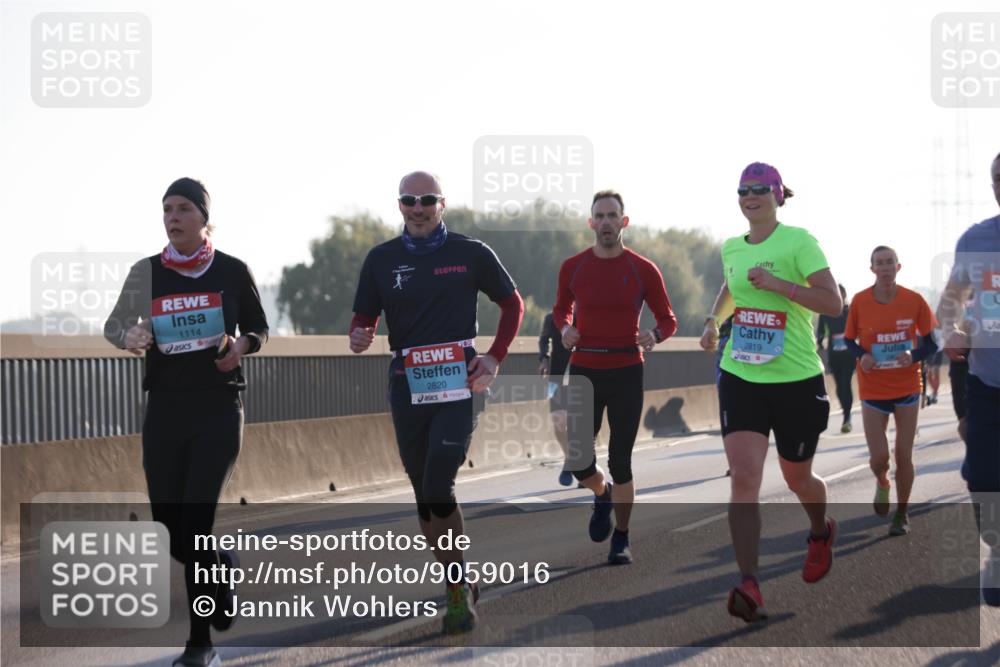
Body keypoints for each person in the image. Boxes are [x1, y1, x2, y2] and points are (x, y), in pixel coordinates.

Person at [349, 171, 524, 633]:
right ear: (400, 205)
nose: (418, 208)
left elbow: (513, 305)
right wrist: (359, 334)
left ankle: (455, 587)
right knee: (423, 495)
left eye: (427, 200)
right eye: (410, 200)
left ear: (442, 204)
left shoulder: (471, 253)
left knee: (439, 479)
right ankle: (458, 581)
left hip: (459, 380)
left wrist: (494, 357)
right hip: (408, 382)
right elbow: (363, 318)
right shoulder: (381, 259)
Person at [104, 178, 269, 667]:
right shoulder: (147, 272)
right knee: (168, 529)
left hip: (218, 408)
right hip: (166, 411)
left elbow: (258, 327)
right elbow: (114, 326)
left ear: (202, 217)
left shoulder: (233, 271)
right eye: (166, 210)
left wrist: (240, 346)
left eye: (181, 209)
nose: (171, 217)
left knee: (196, 526)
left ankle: (200, 645)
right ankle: (221, 568)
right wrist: (128, 334)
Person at [699, 162, 842, 623]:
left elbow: (832, 303)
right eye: (744, 189)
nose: (751, 195)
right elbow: (731, 286)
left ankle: (820, 531)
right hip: (742, 374)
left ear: (779, 195)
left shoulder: (800, 242)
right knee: (744, 477)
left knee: (798, 477)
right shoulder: (731, 248)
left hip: (797, 379)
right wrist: (713, 320)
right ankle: (749, 583)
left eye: (761, 189)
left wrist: (781, 285)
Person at [553, 189, 678, 566]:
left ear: (624, 222)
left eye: (612, 216)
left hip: (626, 369)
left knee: (621, 460)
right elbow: (561, 309)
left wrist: (654, 335)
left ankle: (621, 537)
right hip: (587, 368)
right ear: (591, 223)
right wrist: (564, 329)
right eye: (599, 216)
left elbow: (669, 319)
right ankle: (601, 492)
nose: (606, 222)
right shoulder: (573, 266)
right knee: (578, 458)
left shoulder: (643, 268)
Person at [936, 151, 1000, 607]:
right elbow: (952, 301)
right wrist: (952, 330)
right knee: (982, 480)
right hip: (986, 383)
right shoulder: (975, 241)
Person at [844, 246, 938, 537]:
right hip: (873, 387)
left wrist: (914, 355)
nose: (885, 268)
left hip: (907, 386)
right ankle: (883, 481)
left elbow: (932, 343)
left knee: (904, 454)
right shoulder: (859, 301)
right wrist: (863, 355)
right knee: (878, 458)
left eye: (890, 263)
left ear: (899, 267)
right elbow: (849, 341)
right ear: (872, 269)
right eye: (879, 264)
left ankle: (901, 512)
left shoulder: (914, 301)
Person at [538, 311, 575, 487]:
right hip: (556, 376)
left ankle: (583, 468)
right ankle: (570, 458)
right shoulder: (552, 318)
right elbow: (544, 340)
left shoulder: (586, 314)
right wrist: (544, 359)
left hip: (582, 374)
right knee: (558, 421)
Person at [817, 284, 856, 432]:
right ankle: (845, 412)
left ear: (845, 295)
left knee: (846, 382)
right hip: (834, 354)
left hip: (849, 354)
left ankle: (847, 417)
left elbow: (859, 327)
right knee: (840, 386)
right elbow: (820, 332)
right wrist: (820, 343)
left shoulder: (850, 311)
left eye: (841, 293)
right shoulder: (825, 313)